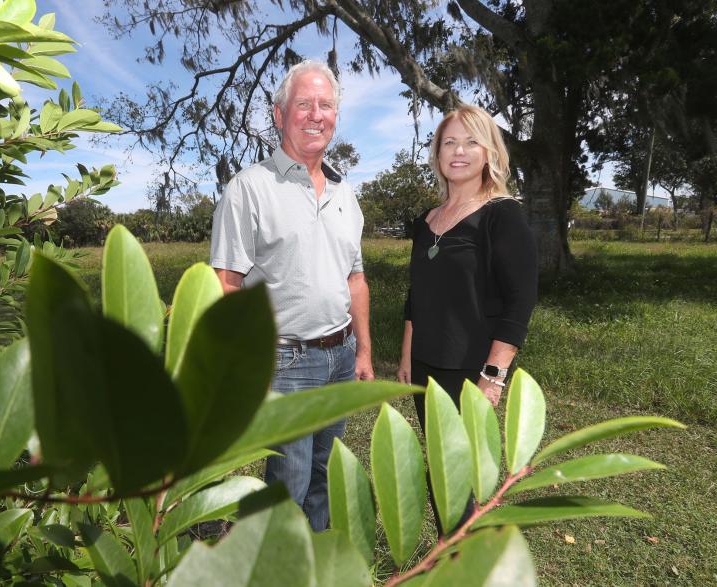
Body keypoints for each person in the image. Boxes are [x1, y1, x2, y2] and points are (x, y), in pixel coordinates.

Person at [210, 60, 374, 532]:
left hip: (340, 357)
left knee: (325, 474)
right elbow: (225, 284)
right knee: (287, 483)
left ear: (336, 118)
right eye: (303, 104)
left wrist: (362, 349)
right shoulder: (249, 188)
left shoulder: (347, 193)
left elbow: (356, 278)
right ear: (279, 115)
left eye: (325, 105)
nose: (315, 114)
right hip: (285, 363)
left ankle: (313, 560)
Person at [397, 105, 538, 532]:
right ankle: (448, 559)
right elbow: (416, 295)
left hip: (470, 370)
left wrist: (493, 377)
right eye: (449, 142)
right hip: (425, 367)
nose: (458, 151)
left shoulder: (502, 214)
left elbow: (520, 301)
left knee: (468, 478)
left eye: (470, 141)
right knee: (441, 470)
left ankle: (470, 563)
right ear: (437, 153)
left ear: (489, 152)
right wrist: (406, 357)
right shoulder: (427, 222)